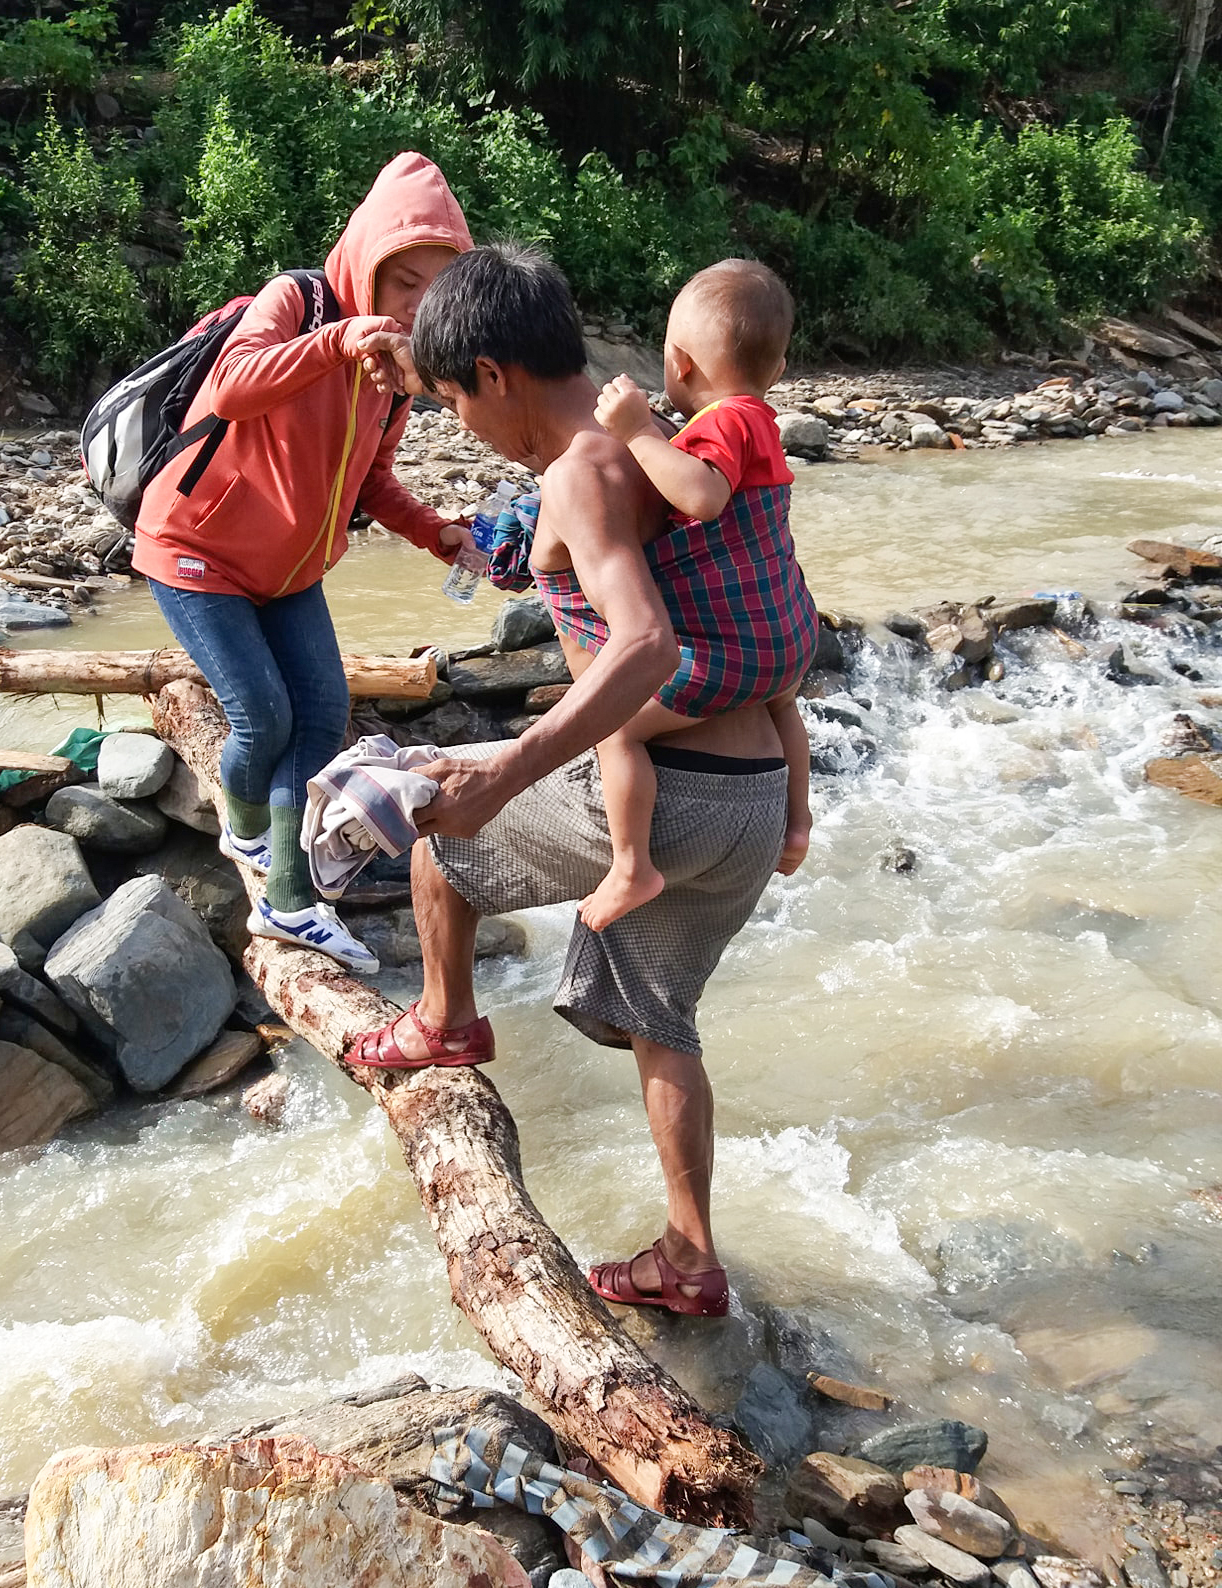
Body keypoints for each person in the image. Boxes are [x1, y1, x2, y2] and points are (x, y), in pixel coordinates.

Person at [346, 244, 808, 1320]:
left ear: (497, 375)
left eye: (455, 396)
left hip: (671, 783)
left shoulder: (588, 468)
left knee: (437, 833)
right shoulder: (646, 441)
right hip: (744, 799)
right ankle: (689, 1257)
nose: (461, 420)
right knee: (666, 1023)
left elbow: (642, 645)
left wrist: (504, 770)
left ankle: (445, 1018)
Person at [134, 152, 473, 973]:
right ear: (366, 262)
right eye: (404, 283)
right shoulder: (301, 302)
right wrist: (336, 340)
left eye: (436, 288)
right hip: (194, 546)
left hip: (288, 571)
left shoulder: (391, 375)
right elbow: (234, 385)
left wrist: (439, 534)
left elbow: (373, 480)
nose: (416, 305)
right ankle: (259, 849)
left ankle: (284, 886)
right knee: (261, 716)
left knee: (320, 718)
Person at [579, 259, 817, 930]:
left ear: (678, 363)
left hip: (734, 653)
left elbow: (703, 495)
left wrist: (634, 431)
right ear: (777, 366)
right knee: (782, 710)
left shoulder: (723, 422)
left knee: (615, 726)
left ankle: (632, 865)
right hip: (790, 639)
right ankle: (796, 827)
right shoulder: (761, 420)